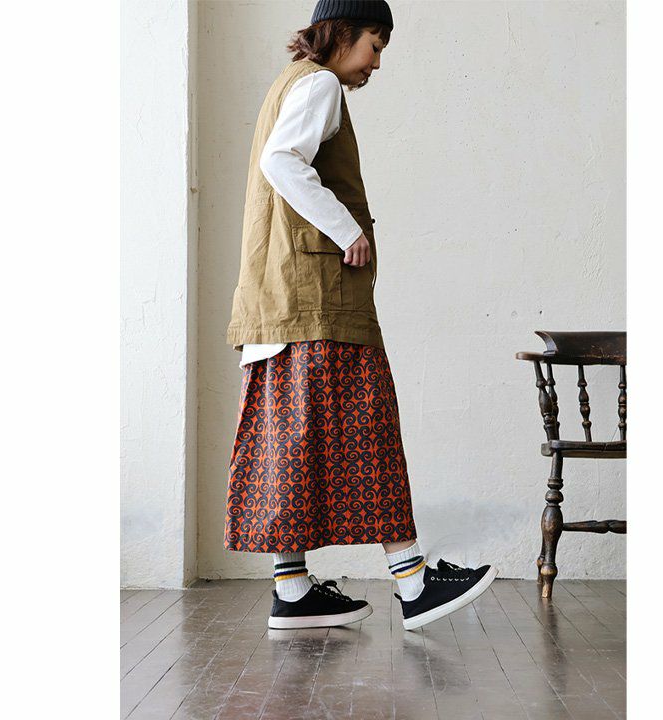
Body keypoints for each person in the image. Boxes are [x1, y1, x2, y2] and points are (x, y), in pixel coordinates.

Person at [225, 0, 497, 631]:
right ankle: (413, 582)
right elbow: (281, 162)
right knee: (368, 430)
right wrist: (347, 229)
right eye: (376, 44)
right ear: (342, 33)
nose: (377, 62)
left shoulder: (288, 82)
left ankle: (293, 588)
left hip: (279, 302)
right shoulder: (319, 83)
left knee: (292, 445)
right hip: (318, 302)